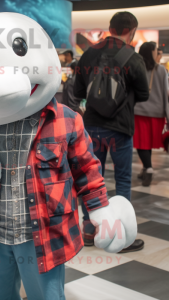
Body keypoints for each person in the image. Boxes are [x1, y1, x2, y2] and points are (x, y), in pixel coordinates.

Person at [74, 11, 150, 253]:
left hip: (92, 127)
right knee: (123, 179)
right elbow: (145, 94)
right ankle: (122, 235)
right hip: (120, 128)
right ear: (132, 31)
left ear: (111, 27)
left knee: (90, 180)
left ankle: (89, 231)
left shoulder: (88, 54)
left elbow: (78, 91)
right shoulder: (132, 57)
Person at [134, 42, 169, 186]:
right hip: (157, 113)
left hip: (139, 111)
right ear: (151, 52)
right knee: (147, 141)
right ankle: (145, 168)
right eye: (156, 50)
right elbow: (165, 94)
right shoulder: (161, 70)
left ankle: (148, 169)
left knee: (142, 143)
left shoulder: (136, 68)